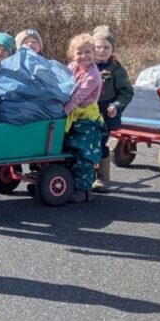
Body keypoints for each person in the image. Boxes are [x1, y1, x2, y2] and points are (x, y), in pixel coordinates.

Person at [63, 34, 104, 203]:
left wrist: (63, 110)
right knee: (69, 151)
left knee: (84, 154)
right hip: (73, 116)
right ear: (73, 55)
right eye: (79, 52)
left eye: (88, 52)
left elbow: (78, 97)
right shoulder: (73, 67)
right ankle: (69, 184)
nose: (84, 56)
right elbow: (63, 82)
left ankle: (84, 190)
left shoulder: (93, 75)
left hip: (87, 119)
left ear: (94, 53)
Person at [92, 26, 133, 192]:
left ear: (112, 49)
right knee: (85, 142)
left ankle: (103, 177)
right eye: (98, 47)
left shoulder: (116, 70)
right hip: (86, 111)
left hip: (105, 112)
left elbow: (126, 92)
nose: (102, 51)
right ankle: (86, 173)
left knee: (101, 142)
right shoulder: (85, 65)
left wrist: (117, 105)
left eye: (106, 47)